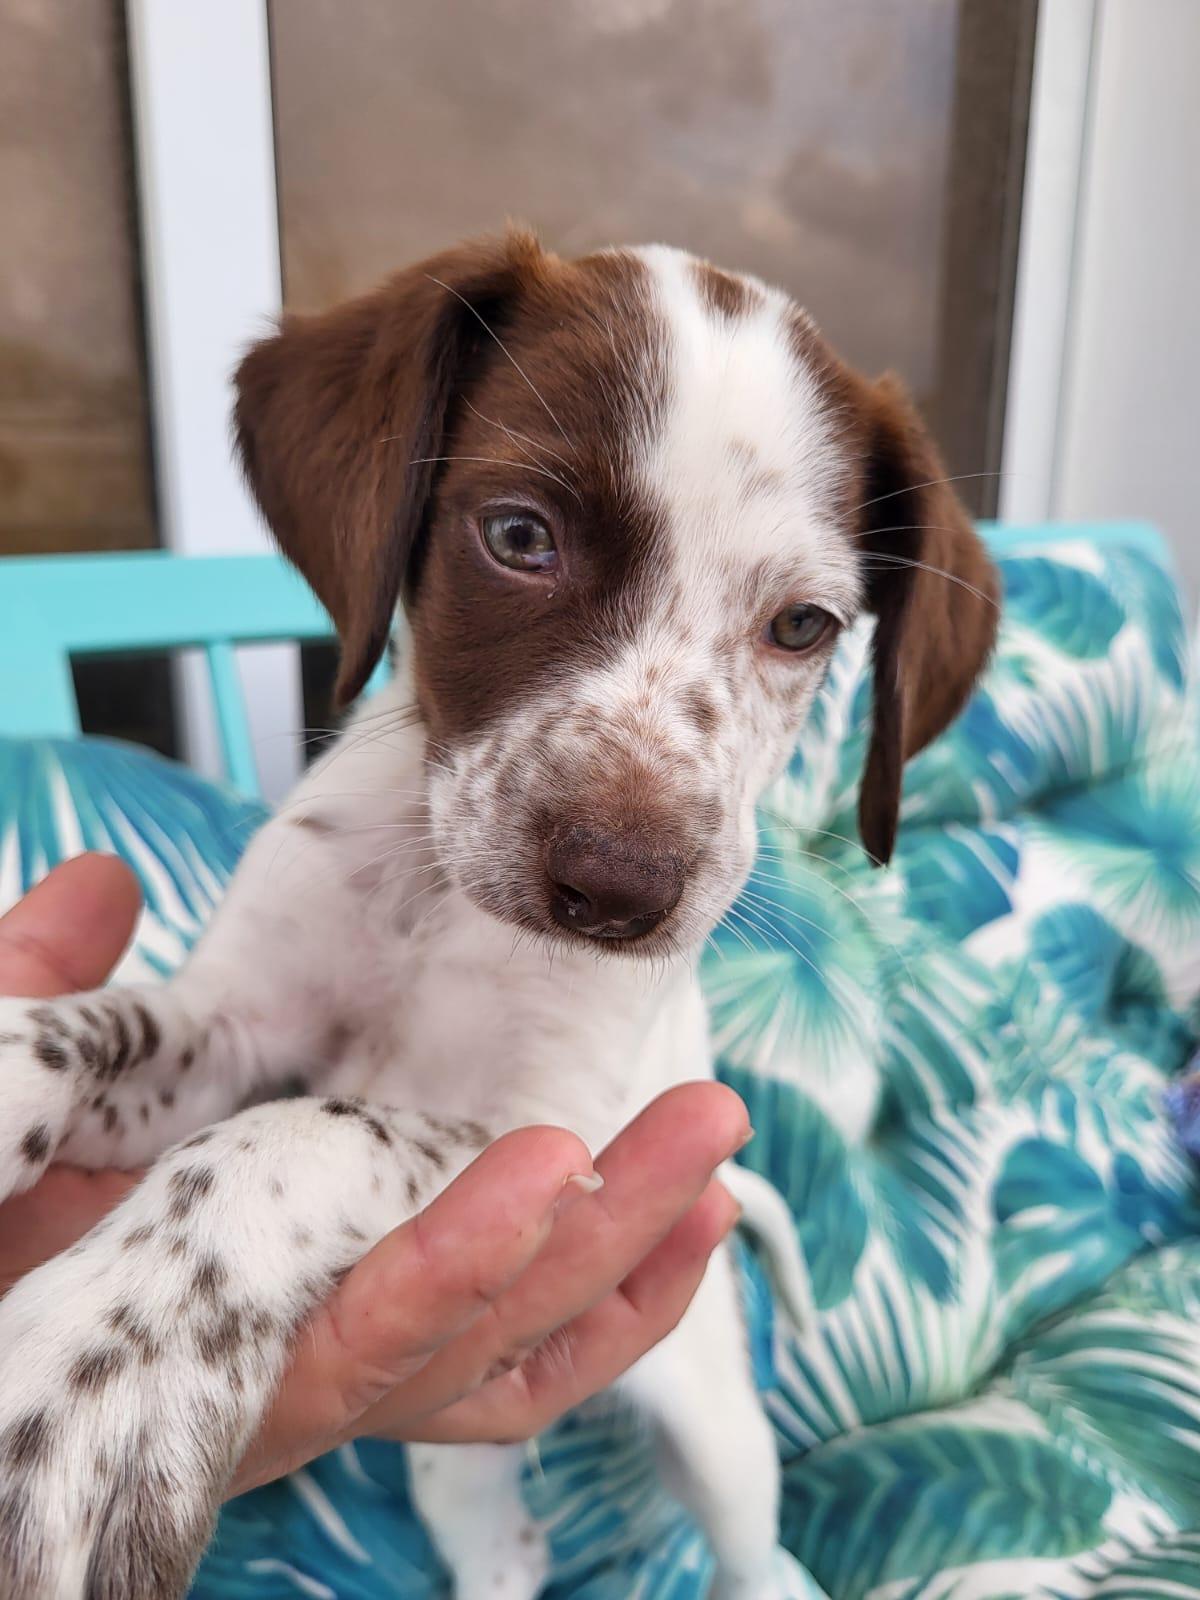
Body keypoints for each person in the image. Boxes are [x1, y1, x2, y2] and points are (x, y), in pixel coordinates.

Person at [0, 853, 748, 1494]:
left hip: (583, 1217)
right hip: (401, 1258)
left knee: (721, 1453)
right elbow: (220, 1039)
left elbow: (541, 1143)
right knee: (461, 1497)